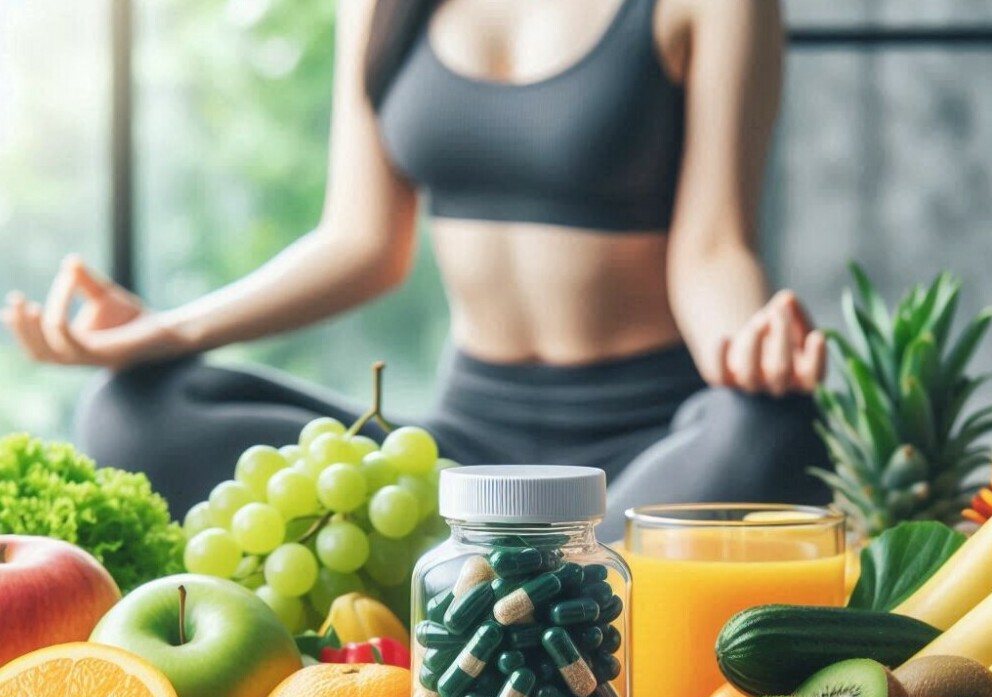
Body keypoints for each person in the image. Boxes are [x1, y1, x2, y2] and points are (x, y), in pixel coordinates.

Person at [2, 0, 830, 541]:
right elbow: (361, 241)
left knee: (770, 428)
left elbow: (713, 245)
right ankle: (545, 585)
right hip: (458, 459)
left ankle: (484, 587)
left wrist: (748, 350)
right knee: (138, 405)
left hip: (653, 447)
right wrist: (168, 330)